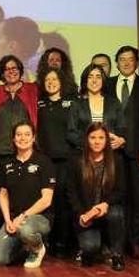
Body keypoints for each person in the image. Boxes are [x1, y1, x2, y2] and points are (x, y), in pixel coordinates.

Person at [105, 46, 139, 260]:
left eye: (130, 59)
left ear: (137, 62)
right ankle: (117, 242)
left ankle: (135, 242)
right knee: (115, 197)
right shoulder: (107, 84)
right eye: (122, 59)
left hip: (137, 152)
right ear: (116, 63)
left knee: (138, 198)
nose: (126, 63)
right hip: (112, 150)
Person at [0, 122, 56, 268]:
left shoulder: (44, 162)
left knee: (25, 230)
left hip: (40, 218)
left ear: (33, 138)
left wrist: (23, 216)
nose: (22, 138)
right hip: (14, 220)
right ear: (13, 139)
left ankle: (37, 248)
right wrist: (7, 220)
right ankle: (24, 246)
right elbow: (3, 194)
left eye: (27, 134)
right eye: (18, 135)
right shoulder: (7, 164)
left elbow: (46, 200)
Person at [67, 123, 127, 271]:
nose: (97, 141)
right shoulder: (77, 161)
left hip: (107, 209)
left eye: (101, 137)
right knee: (90, 248)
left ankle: (117, 254)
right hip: (87, 213)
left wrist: (106, 204)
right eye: (93, 137)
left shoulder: (116, 160)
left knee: (117, 213)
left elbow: (120, 190)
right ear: (86, 140)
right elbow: (71, 193)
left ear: (106, 140)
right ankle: (98, 248)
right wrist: (81, 214)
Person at [36, 68, 77, 257]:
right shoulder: (39, 104)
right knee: (47, 204)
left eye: (55, 79)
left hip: (67, 161)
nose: (51, 82)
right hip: (46, 161)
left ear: (61, 82)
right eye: (47, 80)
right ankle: (47, 243)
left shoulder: (71, 103)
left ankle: (63, 243)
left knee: (63, 203)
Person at [0, 55, 38, 172]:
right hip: (1, 153)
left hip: (26, 152)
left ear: (20, 70)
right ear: (2, 74)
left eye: (14, 68)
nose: (11, 72)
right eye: (7, 69)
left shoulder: (32, 90)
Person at [67, 64, 125, 152]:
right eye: (90, 77)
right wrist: (89, 143)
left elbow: (122, 128)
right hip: (85, 155)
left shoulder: (114, 103)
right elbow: (71, 133)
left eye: (98, 77)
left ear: (103, 80)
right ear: (85, 80)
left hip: (111, 154)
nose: (94, 80)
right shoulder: (77, 104)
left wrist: (121, 140)